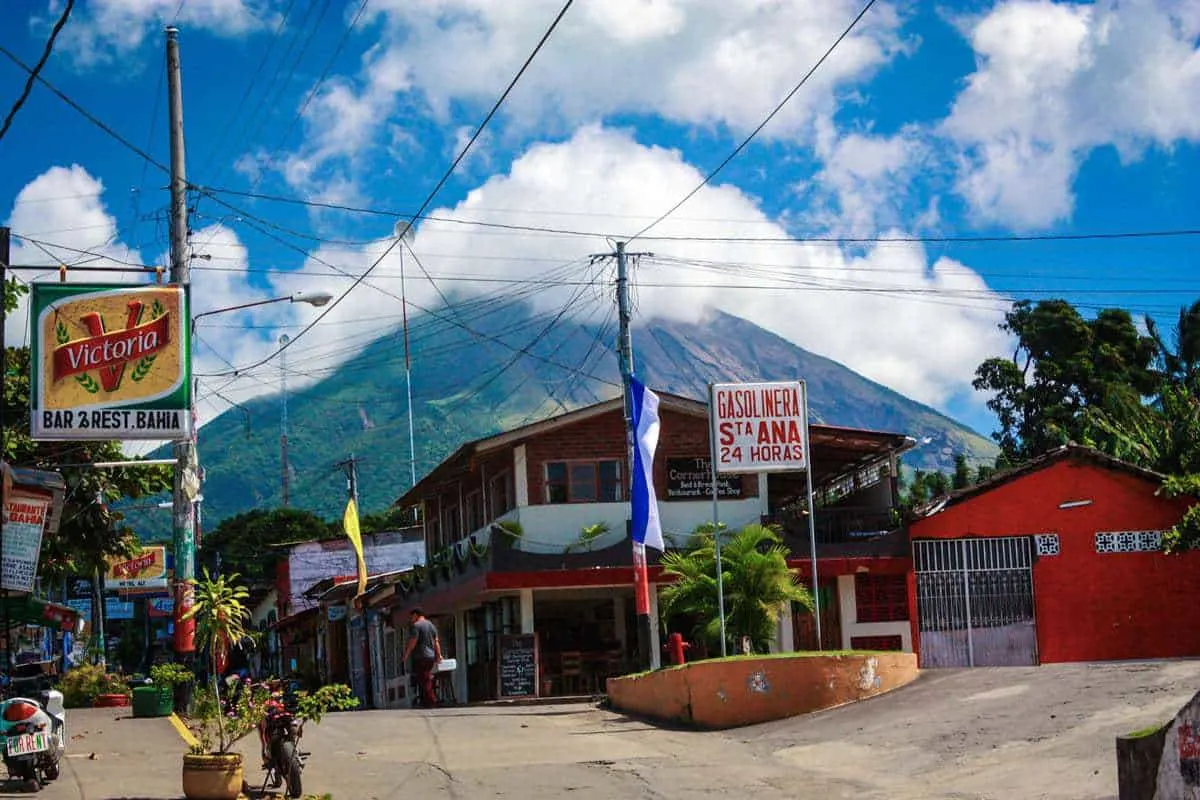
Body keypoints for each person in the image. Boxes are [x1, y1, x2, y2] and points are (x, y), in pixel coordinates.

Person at [403, 608, 441, 708]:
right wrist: (438, 655)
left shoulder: (416, 626)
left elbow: (413, 641)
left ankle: (431, 700)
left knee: (424, 679)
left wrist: (406, 654)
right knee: (425, 678)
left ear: (416, 615)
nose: (411, 619)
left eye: (412, 616)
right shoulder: (431, 625)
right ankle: (425, 701)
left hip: (421, 656)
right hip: (430, 656)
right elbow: (436, 642)